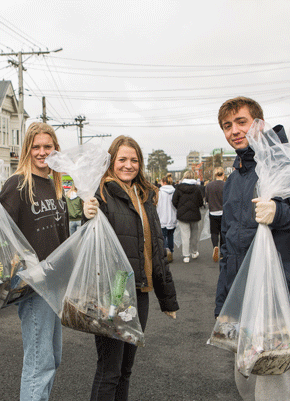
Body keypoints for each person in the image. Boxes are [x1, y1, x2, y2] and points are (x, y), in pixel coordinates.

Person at [214, 97, 290, 401]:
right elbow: (229, 245)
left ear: (260, 124)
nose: (234, 131)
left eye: (241, 122)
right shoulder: (234, 180)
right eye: (227, 126)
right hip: (243, 301)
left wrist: (280, 213)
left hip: (283, 296)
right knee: (245, 381)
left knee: (274, 389)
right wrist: (224, 306)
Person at [82, 135, 179, 401]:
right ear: (111, 161)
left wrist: (167, 299)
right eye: (122, 159)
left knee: (126, 369)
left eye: (134, 160)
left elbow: (156, 250)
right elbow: (88, 239)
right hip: (113, 290)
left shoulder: (144, 196)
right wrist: (86, 213)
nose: (128, 165)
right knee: (110, 369)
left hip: (140, 290)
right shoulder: (100, 193)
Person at [0, 122, 69, 401]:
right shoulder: (17, 184)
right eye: (36, 147)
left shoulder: (57, 184)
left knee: (52, 358)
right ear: (27, 150)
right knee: (39, 363)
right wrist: (26, 268)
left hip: (55, 283)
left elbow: (63, 234)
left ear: (55, 149)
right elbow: (1, 232)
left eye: (47, 147)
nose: (42, 152)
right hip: (34, 286)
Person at [171, 170, 204, 263]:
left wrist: (180, 208)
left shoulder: (179, 188)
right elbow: (201, 202)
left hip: (182, 215)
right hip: (194, 214)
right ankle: (194, 252)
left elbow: (174, 201)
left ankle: (186, 256)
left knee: (185, 236)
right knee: (194, 235)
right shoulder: (196, 189)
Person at [205, 167, 225, 263]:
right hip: (223, 211)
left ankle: (215, 247)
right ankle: (221, 252)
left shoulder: (209, 186)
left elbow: (207, 199)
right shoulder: (226, 185)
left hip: (213, 211)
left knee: (214, 232)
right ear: (223, 174)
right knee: (223, 232)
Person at [156, 175, 177, 262]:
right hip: (172, 217)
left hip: (162, 217)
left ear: (164, 182)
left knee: (163, 236)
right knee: (170, 235)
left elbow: (157, 204)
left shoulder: (159, 192)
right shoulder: (175, 191)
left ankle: (166, 250)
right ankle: (171, 251)